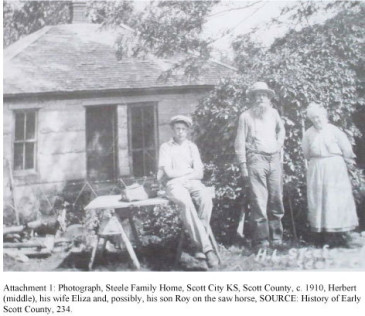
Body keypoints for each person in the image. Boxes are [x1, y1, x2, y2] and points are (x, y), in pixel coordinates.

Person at [158, 115, 219, 268]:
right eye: (178, 129)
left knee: (206, 198)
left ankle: (198, 246)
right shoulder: (166, 147)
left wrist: (188, 176)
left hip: (192, 181)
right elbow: (169, 173)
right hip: (174, 184)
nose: (180, 132)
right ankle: (207, 249)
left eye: (183, 129)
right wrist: (187, 173)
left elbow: (200, 173)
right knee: (186, 203)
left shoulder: (192, 147)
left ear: (187, 131)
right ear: (173, 129)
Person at [235, 82, 286, 249]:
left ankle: (277, 238)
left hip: (274, 159)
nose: (260, 98)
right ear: (253, 98)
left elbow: (281, 131)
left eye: (263, 94)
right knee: (258, 200)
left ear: (269, 97)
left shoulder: (274, 114)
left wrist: (279, 144)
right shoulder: (245, 116)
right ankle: (262, 240)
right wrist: (243, 165)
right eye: (257, 95)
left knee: (276, 198)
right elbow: (240, 142)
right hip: (256, 160)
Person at [301, 102, 358, 246]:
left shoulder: (334, 130)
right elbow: (306, 153)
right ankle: (323, 237)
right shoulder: (308, 133)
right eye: (313, 118)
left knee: (336, 199)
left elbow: (347, 149)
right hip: (317, 167)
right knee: (320, 200)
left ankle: (343, 235)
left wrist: (347, 161)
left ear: (324, 116)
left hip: (334, 167)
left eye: (319, 117)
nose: (316, 120)